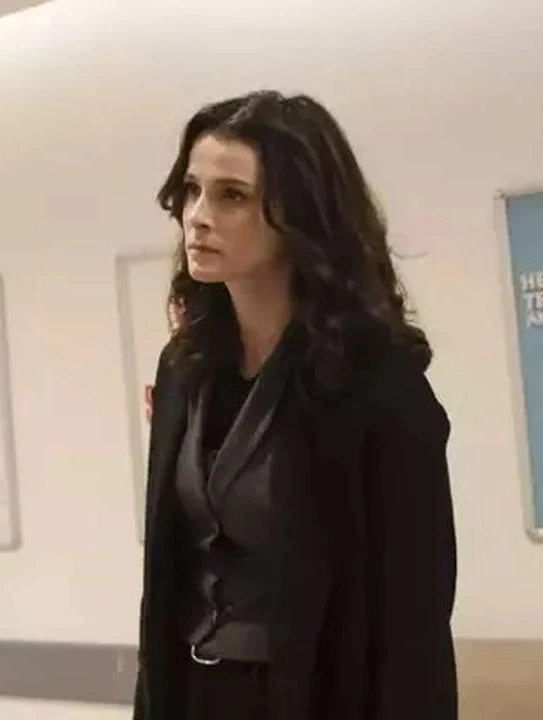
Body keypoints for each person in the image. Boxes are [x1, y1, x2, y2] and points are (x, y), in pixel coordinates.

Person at [133, 91, 457, 719]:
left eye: (231, 196)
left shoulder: (376, 386)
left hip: (312, 697)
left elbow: (413, 626)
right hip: (191, 691)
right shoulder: (185, 369)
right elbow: (169, 575)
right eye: (191, 191)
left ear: (299, 215)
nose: (198, 217)